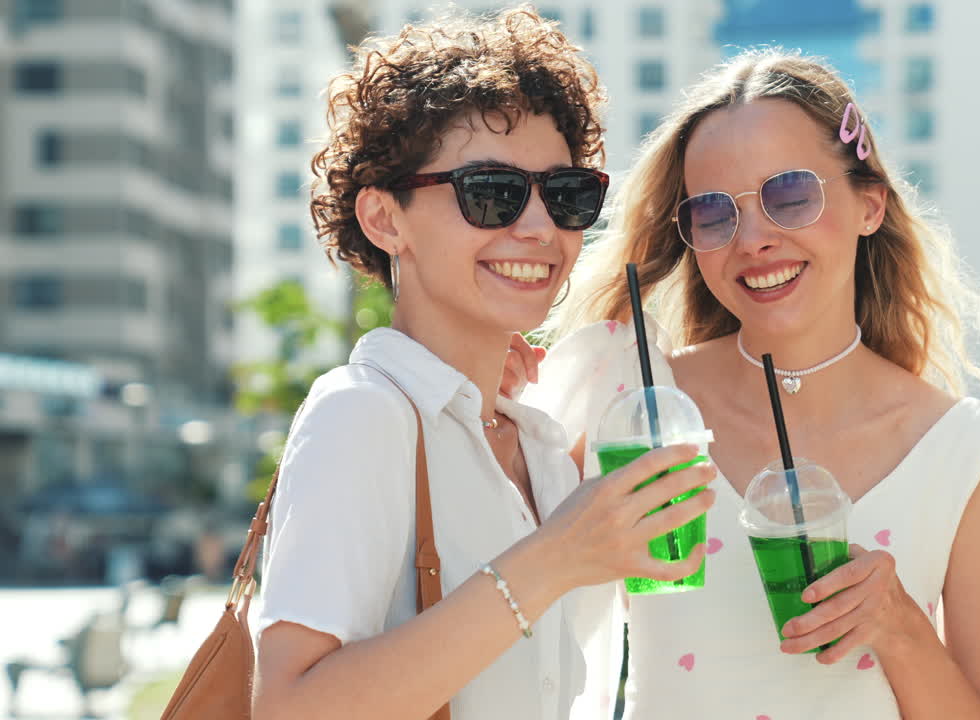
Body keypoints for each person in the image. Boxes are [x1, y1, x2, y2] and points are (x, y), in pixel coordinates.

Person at [522, 50, 980, 719]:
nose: (754, 238)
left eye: (790, 196)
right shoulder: (635, 404)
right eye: (715, 214)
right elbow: (498, 591)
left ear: (870, 205)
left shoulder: (964, 452)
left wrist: (900, 627)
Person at [251, 9, 714, 720]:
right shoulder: (361, 416)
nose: (538, 228)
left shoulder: (538, 440)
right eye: (490, 193)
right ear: (384, 219)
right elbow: (290, 707)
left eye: (566, 196)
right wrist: (555, 557)